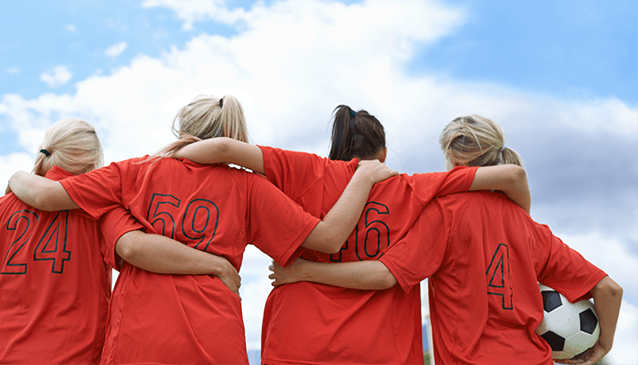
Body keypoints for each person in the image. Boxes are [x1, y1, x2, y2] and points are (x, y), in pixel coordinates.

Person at [6, 95, 397, 364]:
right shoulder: (248, 187)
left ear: (182, 130)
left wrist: (18, 174)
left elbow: (45, 197)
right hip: (216, 339)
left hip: (140, 340)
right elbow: (329, 238)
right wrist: (362, 176)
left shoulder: (135, 171)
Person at [173, 105, 531, 364]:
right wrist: (521, 230)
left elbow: (221, 148)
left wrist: (169, 156)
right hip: (382, 350)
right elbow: (513, 177)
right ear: (383, 153)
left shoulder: (297, 168)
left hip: (296, 344)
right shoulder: (413, 187)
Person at [269, 115, 623, 365]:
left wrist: (304, 271)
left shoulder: (444, 213)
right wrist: (603, 343)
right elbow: (609, 289)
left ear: (452, 158)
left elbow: (385, 275)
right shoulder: (531, 228)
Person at [0, 118, 240, 365]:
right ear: (92, 160)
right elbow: (136, 248)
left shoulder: (2, 208)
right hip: (72, 356)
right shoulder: (101, 209)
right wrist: (216, 265)